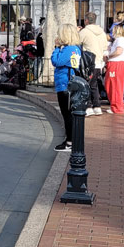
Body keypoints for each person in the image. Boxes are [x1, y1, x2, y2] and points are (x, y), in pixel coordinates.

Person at [50, 24, 83, 152]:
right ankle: (70, 140)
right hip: (67, 83)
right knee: (68, 114)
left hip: (65, 84)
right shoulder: (74, 48)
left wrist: (57, 48)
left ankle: (70, 141)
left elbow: (56, 61)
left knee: (67, 114)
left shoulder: (69, 49)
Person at [79, 12, 108, 116]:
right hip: (99, 62)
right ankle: (97, 106)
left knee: (86, 84)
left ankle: (88, 107)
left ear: (86, 20)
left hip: (88, 62)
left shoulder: (84, 31)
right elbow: (105, 47)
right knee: (94, 84)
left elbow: (78, 43)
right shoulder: (102, 32)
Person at [104, 25, 124, 113]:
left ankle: (117, 107)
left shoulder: (120, 40)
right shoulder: (119, 40)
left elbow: (119, 51)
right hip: (116, 64)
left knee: (114, 85)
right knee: (112, 85)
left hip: (117, 64)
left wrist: (108, 56)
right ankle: (116, 105)